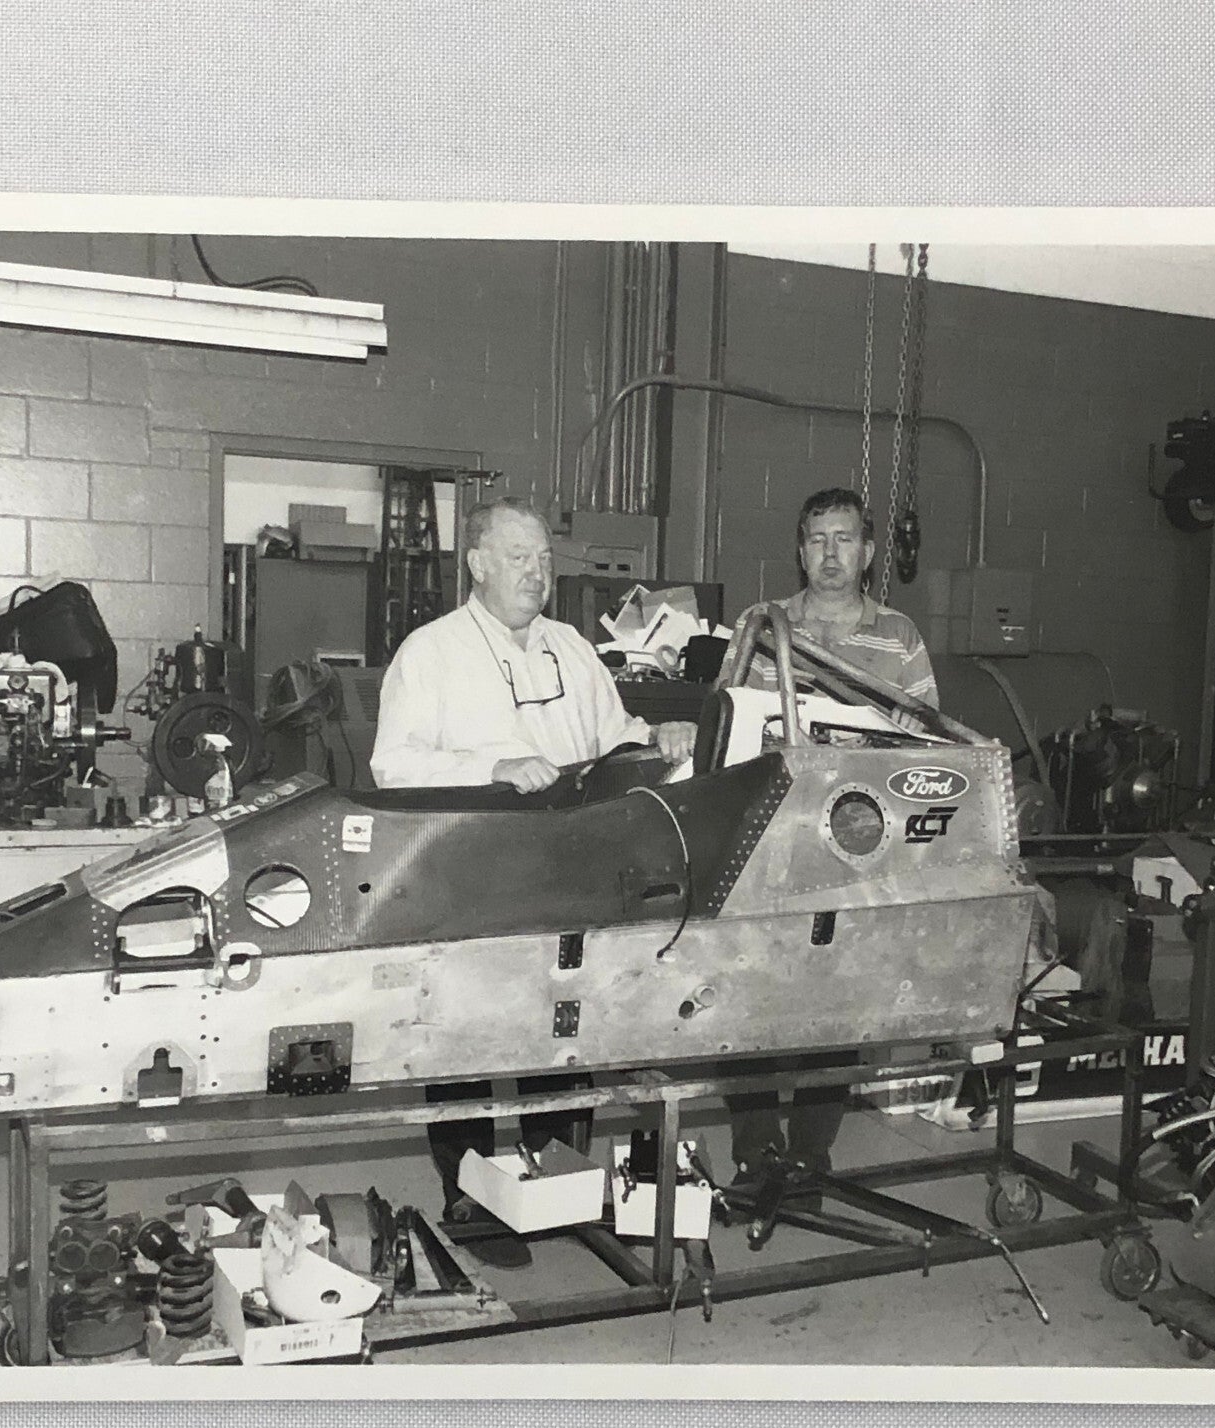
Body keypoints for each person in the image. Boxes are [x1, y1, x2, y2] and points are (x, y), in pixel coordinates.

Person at [372, 497, 696, 1264]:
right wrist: (493, 765)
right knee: (472, 1033)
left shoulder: (573, 649)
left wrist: (659, 735)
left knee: (566, 1026)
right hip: (477, 871)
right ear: (477, 563)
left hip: (574, 867)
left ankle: (557, 1174)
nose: (536, 572)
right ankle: (468, 1191)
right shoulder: (431, 652)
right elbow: (395, 765)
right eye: (518, 556)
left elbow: (615, 739)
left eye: (544, 558)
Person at [725, 486, 939, 1190]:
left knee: (840, 1002)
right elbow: (730, 721)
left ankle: (812, 1154)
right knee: (750, 993)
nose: (830, 554)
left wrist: (908, 739)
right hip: (772, 839)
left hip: (860, 846)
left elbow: (930, 741)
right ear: (800, 548)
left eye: (844, 539)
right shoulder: (762, 626)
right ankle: (757, 1150)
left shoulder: (900, 637)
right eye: (818, 539)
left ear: (869, 552)